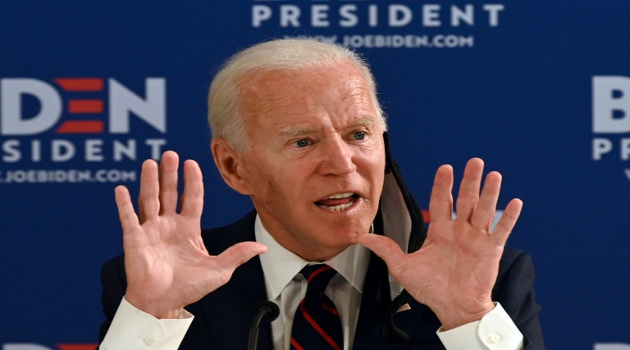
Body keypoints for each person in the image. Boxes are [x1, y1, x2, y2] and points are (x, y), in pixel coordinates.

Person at [98, 39, 544, 349]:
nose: (342, 163)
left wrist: (468, 319)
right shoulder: (165, 284)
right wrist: (152, 317)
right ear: (235, 167)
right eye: (302, 142)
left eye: (358, 134)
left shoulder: (483, 279)